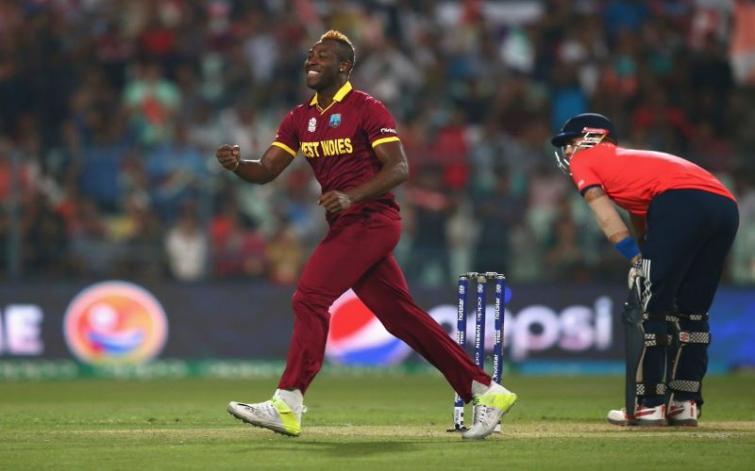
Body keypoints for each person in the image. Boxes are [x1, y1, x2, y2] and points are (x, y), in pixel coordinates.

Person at [216, 30, 516, 440]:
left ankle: (287, 403)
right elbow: (266, 170)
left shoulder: (366, 108)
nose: (311, 60)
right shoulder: (299, 118)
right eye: (310, 55)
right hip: (348, 225)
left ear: (344, 67)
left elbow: (399, 168)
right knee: (401, 317)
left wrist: (351, 195)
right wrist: (238, 165)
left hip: (372, 219)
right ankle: (486, 391)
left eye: (322, 56)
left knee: (309, 297)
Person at [550, 113, 738, 427]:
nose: (568, 151)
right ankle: (684, 403)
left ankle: (649, 404)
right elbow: (647, 228)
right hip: (725, 206)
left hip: (680, 203)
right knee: (693, 313)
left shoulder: (586, 159)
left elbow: (605, 216)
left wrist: (636, 261)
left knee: (651, 310)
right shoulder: (634, 167)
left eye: (570, 142)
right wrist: (644, 255)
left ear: (593, 137)